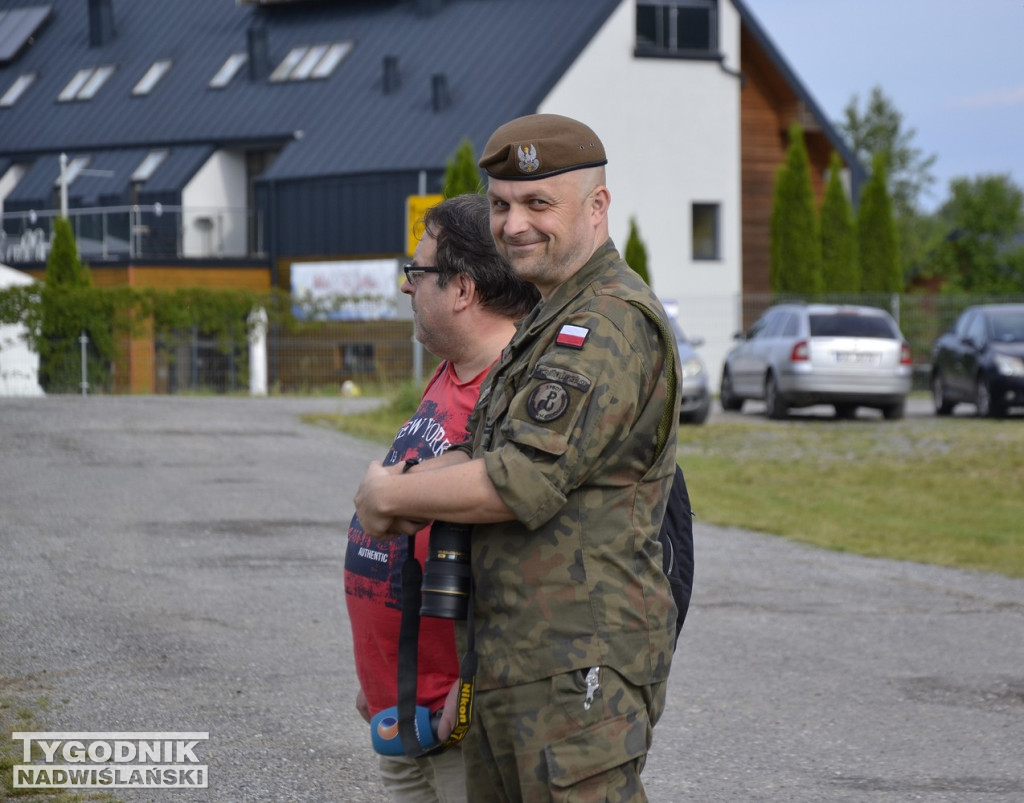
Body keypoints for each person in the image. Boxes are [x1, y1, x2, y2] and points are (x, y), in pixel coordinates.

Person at [354, 114, 682, 801]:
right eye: (502, 205)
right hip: (517, 663)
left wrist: (392, 498)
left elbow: (521, 479)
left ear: (596, 207)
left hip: (576, 672)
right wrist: (417, 476)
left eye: (539, 204)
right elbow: (493, 445)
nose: (513, 224)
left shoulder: (606, 321)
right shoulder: (549, 314)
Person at [344, 193, 539, 802]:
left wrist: (475, 684)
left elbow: (529, 562)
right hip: (404, 703)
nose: (407, 288)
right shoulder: (454, 370)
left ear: (461, 290)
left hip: (458, 718)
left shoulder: (512, 394)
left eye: (417, 272)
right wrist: (379, 678)